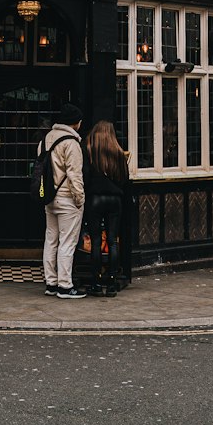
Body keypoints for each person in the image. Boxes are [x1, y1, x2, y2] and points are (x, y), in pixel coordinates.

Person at [40, 102, 85, 299]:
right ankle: (65, 286)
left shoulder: (45, 139)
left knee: (51, 239)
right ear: (76, 123)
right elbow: (74, 174)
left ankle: (51, 282)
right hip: (67, 198)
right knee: (67, 242)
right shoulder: (71, 143)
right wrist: (80, 199)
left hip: (49, 197)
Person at [84, 120, 130, 297]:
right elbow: (124, 179)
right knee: (112, 240)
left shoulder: (90, 152)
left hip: (95, 198)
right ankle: (111, 282)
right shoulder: (118, 153)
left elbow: (85, 178)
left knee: (96, 240)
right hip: (115, 199)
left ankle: (95, 282)